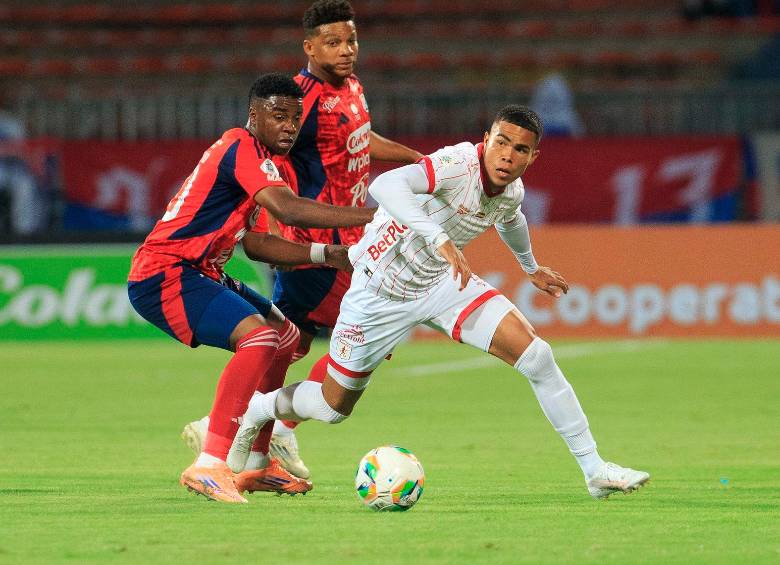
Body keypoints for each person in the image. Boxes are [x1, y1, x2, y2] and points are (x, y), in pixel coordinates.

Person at [226, 105, 651, 500]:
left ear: (532, 157)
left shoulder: (512, 191)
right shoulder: (456, 164)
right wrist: (438, 236)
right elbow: (385, 183)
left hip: (441, 283)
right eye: (501, 142)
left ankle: (594, 469)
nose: (507, 155)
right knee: (332, 407)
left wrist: (531, 267)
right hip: (378, 291)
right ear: (486, 139)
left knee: (537, 357)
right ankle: (263, 408)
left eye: (520, 149)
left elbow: (512, 218)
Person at [181, 0, 423, 480]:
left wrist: (416, 161)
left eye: (351, 40)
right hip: (319, 244)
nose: (346, 50)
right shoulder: (302, 99)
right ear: (309, 46)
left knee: (296, 343)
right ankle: (251, 426)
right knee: (362, 338)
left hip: (350, 241)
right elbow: (274, 154)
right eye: (333, 42)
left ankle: (255, 436)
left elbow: (360, 138)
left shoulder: (351, 86)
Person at [127, 72, 376, 504]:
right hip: (165, 272)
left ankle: (257, 464)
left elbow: (259, 243)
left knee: (287, 338)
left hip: (202, 270)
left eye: (296, 120)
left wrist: (327, 256)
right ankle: (209, 464)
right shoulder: (238, 146)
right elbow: (288, 210)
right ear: (253, 115)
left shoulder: (268, 164)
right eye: (278, 116)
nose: (289, 127)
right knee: (259, 338)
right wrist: (371, 217)